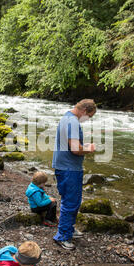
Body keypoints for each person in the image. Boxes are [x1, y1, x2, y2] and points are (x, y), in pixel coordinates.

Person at [52, 99, 97, 250]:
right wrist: (89, 148)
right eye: (89, 116)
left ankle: (68, 229)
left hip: (63, 165)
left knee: (70, 201)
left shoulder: (67, 117)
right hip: (69, 168)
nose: (87, 120)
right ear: (84, 110)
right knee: (71, 202)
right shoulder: (73, 123)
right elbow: (75, 149)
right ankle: (62, 236)